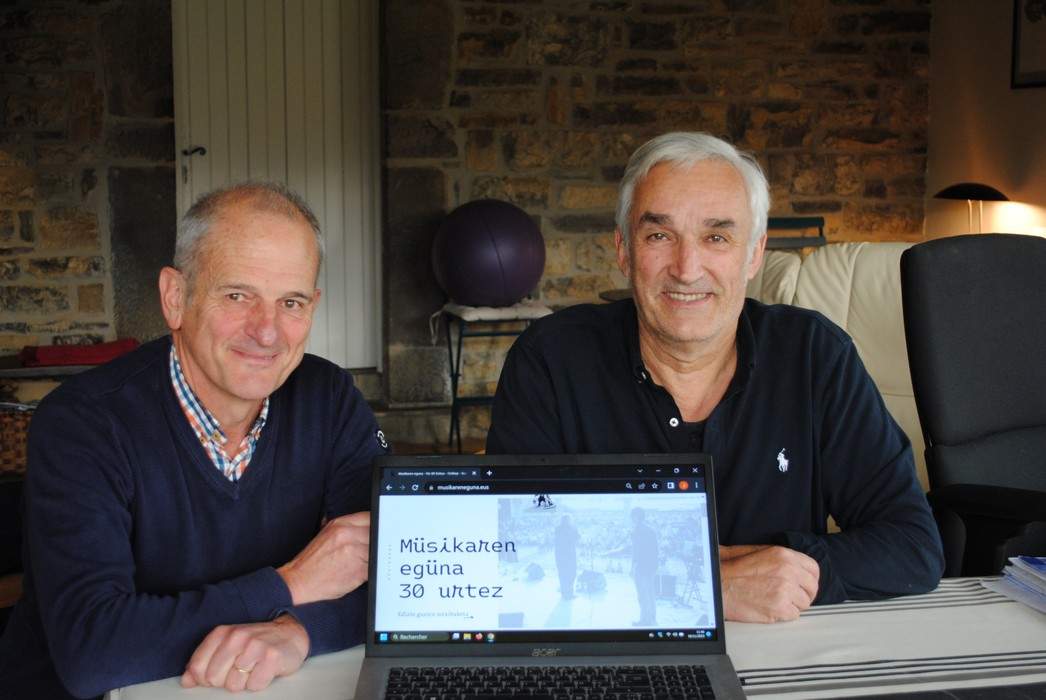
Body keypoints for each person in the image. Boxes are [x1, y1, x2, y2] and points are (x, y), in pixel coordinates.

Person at [486, 132, 944, 623]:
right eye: (659, 236)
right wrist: (707, 586)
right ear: (624, 250)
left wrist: (786, 567)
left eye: (717, 237)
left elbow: (912, 546)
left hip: (782, 650)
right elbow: (507, 550)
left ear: (754, 254)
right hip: (612, 647)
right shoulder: (549, 361)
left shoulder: (814, 357)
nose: (687, 269)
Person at [0, 183, 387, 699]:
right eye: (237, 296)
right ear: (175, 298)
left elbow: (402, 584)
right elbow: (93, 650)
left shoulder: (329, 399)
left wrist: (300, 630)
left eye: (290, 302)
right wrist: (293, 584)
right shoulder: (82, 424)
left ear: (312, 307)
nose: (267, 332)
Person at [553, 514, 579, 599]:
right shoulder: (571, 528)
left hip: (560, 555)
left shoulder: (558, 529)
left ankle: (565, 593)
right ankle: (569, 593)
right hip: (569, 555)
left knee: (563, 574)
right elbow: (577, 538)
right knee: (571, 573)